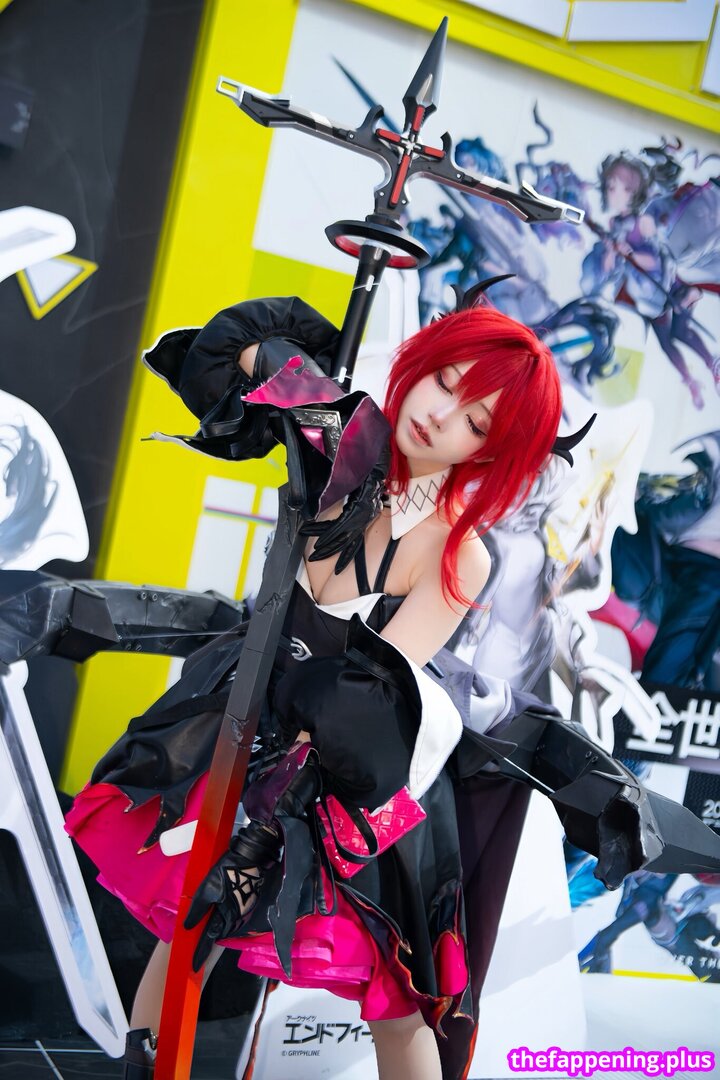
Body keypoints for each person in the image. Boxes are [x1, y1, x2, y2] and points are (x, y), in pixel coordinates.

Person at [64, 292, 567, 1080]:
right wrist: (294, 367)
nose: (440, 417)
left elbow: (364, 701)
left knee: (394, 999)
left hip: (348, 782)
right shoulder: (334, 441)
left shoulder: (456, 555)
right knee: (185, 931)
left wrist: (266, 825)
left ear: (492, 450)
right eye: (445, 382)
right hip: (246, 717)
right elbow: (231, 350)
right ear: (421, 365)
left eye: (475, 422)